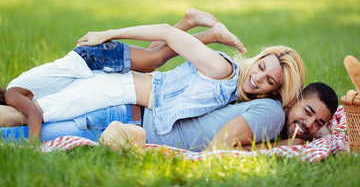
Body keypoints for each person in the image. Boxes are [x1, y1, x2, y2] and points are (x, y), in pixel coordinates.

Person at [1, 9, 304, 142]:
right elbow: (164, 33)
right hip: (115, 90)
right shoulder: (225, 71)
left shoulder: (232, 85)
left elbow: (172, 47)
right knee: (37, 112)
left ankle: (194, 21)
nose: (259, 78)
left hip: (125, 89)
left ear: (273, 91)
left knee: (156, 57)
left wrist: (312, 127)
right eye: (262, 67)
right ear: (258, 58)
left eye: (269, 81)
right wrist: (107, 33)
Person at [0, 82, 338, 152]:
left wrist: (316, 133)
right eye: (308, 112)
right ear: (293, 100)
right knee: (18, 139)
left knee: (28, 122)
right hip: (127, 124)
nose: (308, 125)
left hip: (129, 121)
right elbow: (219, 150)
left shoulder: (278, 123)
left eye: (318, 122)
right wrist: (276, 146)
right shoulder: (273, 117)